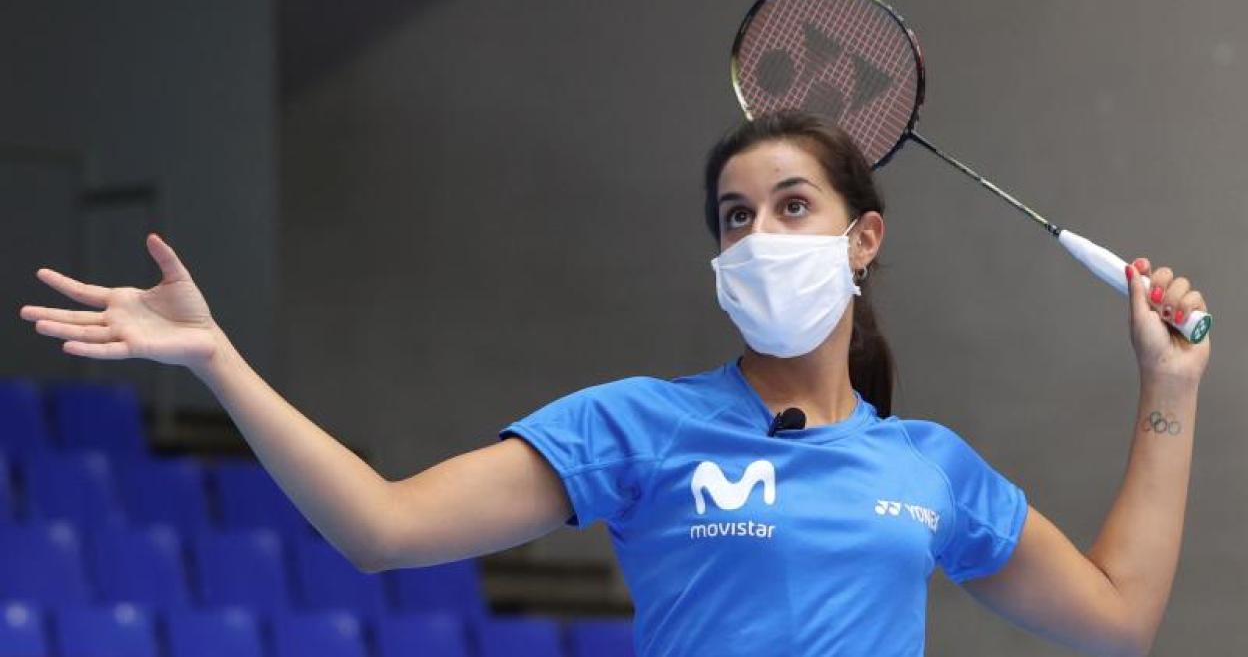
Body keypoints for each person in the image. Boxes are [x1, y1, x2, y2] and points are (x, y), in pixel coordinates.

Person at [19, 110, 1210, 656]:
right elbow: (381, 528)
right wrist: (218, 357)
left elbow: (1118, 620)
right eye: (735, 216)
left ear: (865, 238)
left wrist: (1172, 386)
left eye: (794, 206)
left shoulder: (929, 465)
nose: (758, 235)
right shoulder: (635, 425)